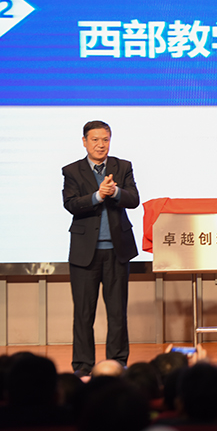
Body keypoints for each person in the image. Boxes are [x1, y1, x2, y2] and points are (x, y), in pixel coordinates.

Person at [62, 120, 140, 376]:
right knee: (83, 314)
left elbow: (134, 199)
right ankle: (83, 366)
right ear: (84, 142)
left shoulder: (123, 166)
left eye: (105, 139)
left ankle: (117, 362)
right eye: (95, 140)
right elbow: (71, 204)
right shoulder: (72, 171)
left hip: (117, 251)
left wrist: (114, 191)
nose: (100, 145)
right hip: (85, 253)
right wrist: (98, 196)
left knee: (117, 312)